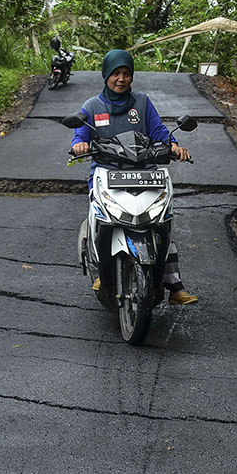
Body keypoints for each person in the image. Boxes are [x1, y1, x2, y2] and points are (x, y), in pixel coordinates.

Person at [70, 49, 198, 305]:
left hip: (144, 172)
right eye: (116, 73)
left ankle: (174, 285)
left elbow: (159, 130)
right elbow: (79, 136)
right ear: (106, 74)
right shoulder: (92, 106)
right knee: (102, 218)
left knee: (159, 223)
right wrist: (79, 146)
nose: (121, 78)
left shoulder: (141, 102)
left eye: (127, 73)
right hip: (108, 173)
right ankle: (100, 271)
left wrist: (173, 145)